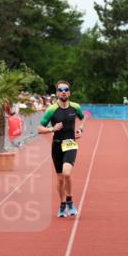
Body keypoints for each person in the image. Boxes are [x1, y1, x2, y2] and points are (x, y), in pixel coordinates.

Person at [37, 81, 85, 218]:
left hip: (70, 144)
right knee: (59, 179)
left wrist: (81, 130)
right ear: (57, 93)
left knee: (67, 173)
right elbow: (40, 129)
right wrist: (52, 129)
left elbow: (83, 118)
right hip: (57, 145)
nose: (63, 91)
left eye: (66, 89)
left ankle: (69, 201)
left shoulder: (76, 107)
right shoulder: (51, 110)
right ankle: (62, 205)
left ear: (69, 92)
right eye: (60, 89)